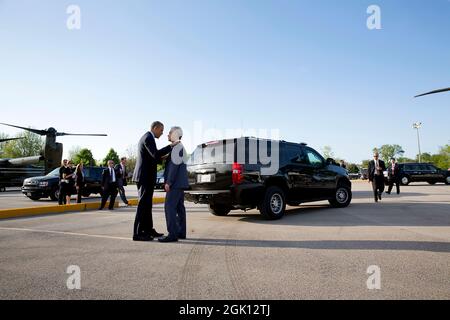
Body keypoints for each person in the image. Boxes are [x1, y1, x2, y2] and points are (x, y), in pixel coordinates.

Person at [132, 121, 177, 242]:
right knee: (143, 205)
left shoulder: (149, 138)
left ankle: (148, 229)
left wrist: (163, 157)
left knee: (147, 205)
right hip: (144, 177)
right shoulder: (147, 138)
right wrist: (170, 146)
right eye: (161, 130)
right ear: (155, 128)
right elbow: (155, 154)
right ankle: (137, 233)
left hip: (147, 177)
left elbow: (154, 157)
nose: (162, 133)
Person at [159, 127, 189, 243]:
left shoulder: (177, 148)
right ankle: (181, 232)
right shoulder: (179, 147)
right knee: (179, 208)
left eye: (170, 133)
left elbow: (174, 167)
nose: (168, 135)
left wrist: (168, 182)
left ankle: (172, 234)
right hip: (180, 183)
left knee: (169, 207)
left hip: (175, 184)